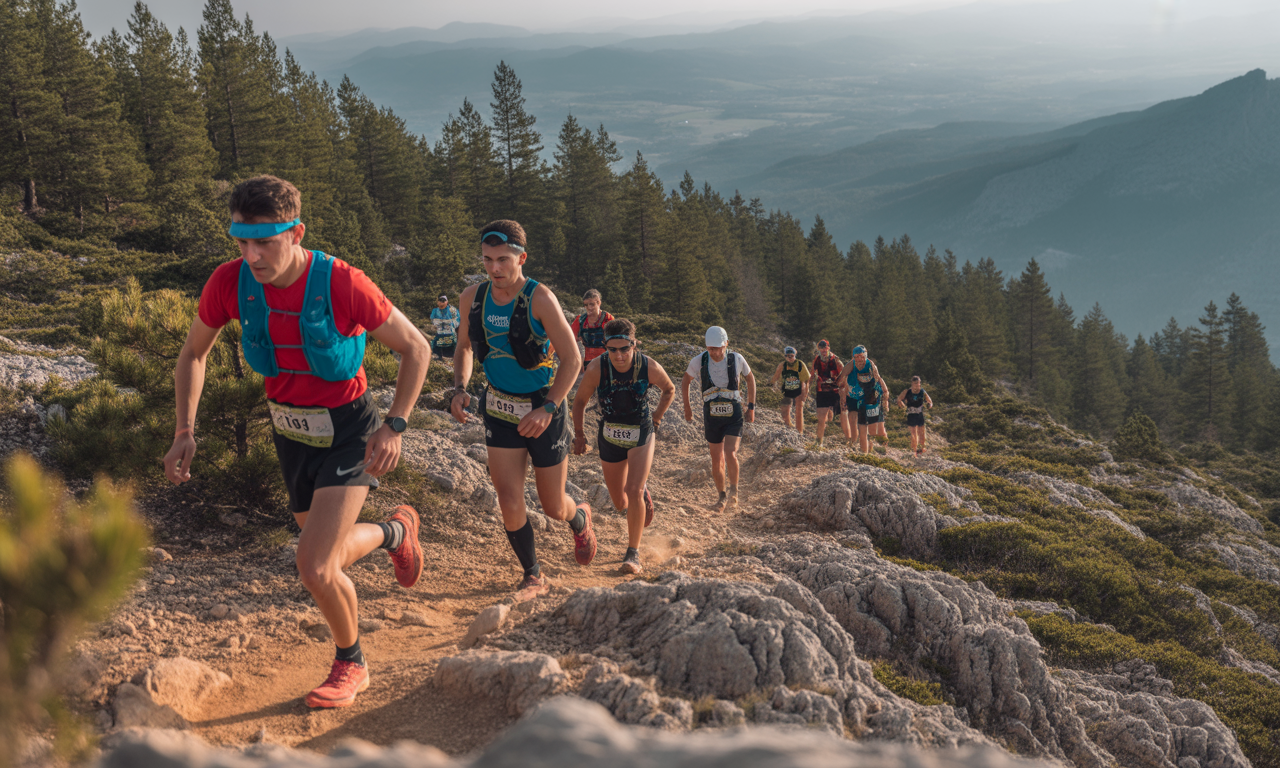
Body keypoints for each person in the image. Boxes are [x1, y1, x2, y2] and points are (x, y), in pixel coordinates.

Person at [162, 176, 431, 709]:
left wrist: (394, 424)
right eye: (241, 241)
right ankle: (396, 531)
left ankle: (351, 663)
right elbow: (194, 354)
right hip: (290, 432)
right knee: (325, 555)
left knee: (314, 566)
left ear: (296, 232)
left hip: (351, 428)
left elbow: (416, 348)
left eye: (264, 241)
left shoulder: (342, 283)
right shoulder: (228, 283)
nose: (252, 255)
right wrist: (184, 431)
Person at [449, 220, 595, 598]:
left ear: (521, 257)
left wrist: (548, 408)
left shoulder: (540, 298)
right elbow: (464, 348)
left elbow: (572, 359)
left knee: (552, 507)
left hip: (542, 408)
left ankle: (579, 518)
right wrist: (461, 389)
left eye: (502, 260)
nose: (494, 268)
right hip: (498, 407)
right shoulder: (472, 298)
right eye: (487, 260)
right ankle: (532, 572)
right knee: (509, 499)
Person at [571, 318, 676, 574]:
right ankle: (641, 495)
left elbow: (669, 389)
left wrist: (656, 418)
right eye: (612, 349)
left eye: (625, 349)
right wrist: (580, 435)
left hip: (640, 431)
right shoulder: (597, 367)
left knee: (635, 489)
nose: (619, 355)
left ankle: (633, 553)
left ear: (634, 344)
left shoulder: (647, 366)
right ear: (606, 346)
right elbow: (580, 401)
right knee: (620, 502)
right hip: (610, 437)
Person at [681, 326, 756, 512]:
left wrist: (751, 407)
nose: (714, 352)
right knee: (716, 458)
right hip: (712, 415)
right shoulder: (699, 360)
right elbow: (686, 380)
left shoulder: (737, 359)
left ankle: (734, 493)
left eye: (718, 348)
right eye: (710, 348)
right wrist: (687, 406)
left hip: (734, 413)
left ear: (726, 344)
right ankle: (721, 497)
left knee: (730, 453)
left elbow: (750, 379)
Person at [839, 345, 889, 454]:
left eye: (861, 356)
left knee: (878, 427)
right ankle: (855, 443)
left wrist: (885, 396)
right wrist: (842, 397)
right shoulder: (850, 366)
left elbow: (878, 379)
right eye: (856, 357)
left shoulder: (871, 365)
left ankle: (883, 450)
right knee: (854, 419)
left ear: (865, 356)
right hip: (853, 395)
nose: (859, 359)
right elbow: (841, 380)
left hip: (871, 397)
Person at [768, 347, 810, 434]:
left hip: (799, 389)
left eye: (791, 356)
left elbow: (806, 380)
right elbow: (776, 375)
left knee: (799, 409)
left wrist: (805, 392)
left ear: (795, 355)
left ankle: (800, 431)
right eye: (787, 356)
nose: (789, 358)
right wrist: (771, 383)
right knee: (785, 409)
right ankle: (788, 425)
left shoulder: (800, 364)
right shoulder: (782, 365)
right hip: (787, 389)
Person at [571, 289, 615, 371]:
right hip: (588, 361)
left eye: (592, 304)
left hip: (606, 360)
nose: (589, 308)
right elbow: (570, 340)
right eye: (586, 305)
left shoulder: (608, 319)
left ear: (599, 303)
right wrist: (579, 359)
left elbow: (615, 341)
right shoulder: (580, 320)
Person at [810, 340, 844, 448]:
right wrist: (807, 387)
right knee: (821, 418)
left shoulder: (836, 361)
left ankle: (848, 440)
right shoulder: (817, 359)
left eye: (825, 348)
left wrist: (843, 389)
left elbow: (844, 375)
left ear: (828, 347)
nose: (823, 350)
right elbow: (812, 374)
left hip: (834, 392)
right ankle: (819, 441)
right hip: (821, 390)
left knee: (843, 417)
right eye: (821, 348)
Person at [896, 376, 934, 456]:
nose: (917, 385)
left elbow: (930, 401)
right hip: (911, 414)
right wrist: (902, 406)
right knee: (913, 433)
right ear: (912, 384)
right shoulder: (907, 392)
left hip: (919, 414)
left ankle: (922, 449)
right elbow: (899, 399)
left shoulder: (922, 392)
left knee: (922, 432)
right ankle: (914, 450)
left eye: (919, 383)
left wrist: (929, 405)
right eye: (915, 383)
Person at [429, 294, 461, 361]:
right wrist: (438, 323)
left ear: (447, 301)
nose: (442, 303)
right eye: (440, 301)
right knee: (434, 342)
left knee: (454, 341)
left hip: (450, 332)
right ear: (437, 302)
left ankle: (454, 356)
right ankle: (437, 355)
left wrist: (450, 323)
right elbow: (432, 320)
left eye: (443, 301)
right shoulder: (435, 310)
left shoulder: (452, 310)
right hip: (439, 332)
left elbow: (457, 320)